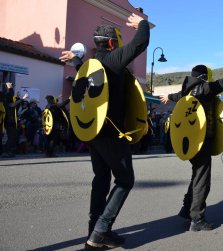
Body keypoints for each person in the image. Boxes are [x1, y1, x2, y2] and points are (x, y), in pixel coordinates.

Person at [60, 13, 149, 249]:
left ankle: (97, 231)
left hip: (93, 135)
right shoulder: (113, 60)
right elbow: (141, 42)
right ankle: (99, 232)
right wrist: (141, 24)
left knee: (101, 179)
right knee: (125, 180)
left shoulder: (92, 65)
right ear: (111, 43)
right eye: (117, 43)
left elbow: (88, 81)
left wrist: (75, 61)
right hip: (111, 133)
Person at [160, 41, 223, 231]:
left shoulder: (187, 90)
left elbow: (178, 97)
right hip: (202, 140)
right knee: (203, 180)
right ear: (205, 77)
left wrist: (169, 97)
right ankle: (197, 219)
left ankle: (187, 209)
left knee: (197, 175)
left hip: (188, 141)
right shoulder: (206, 89)